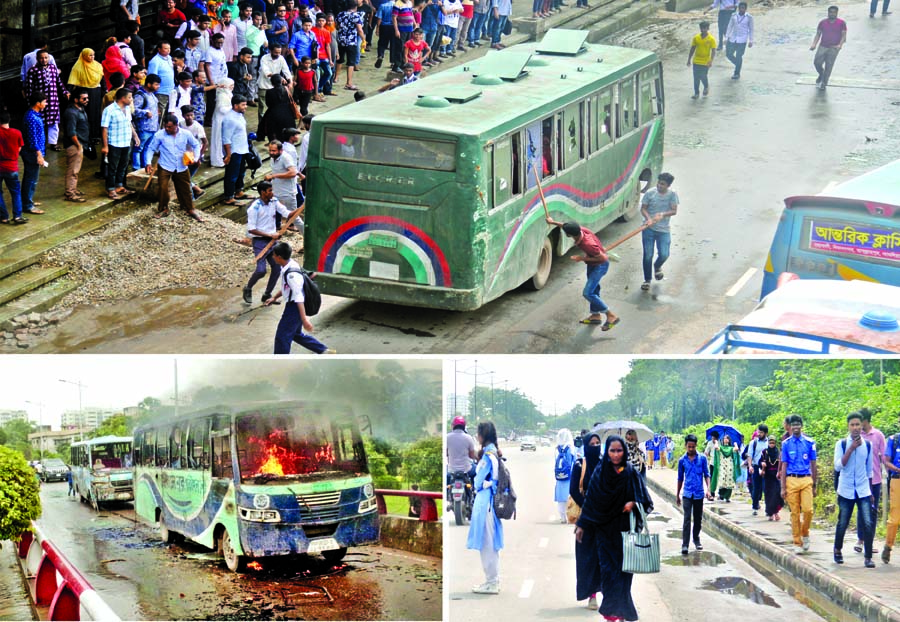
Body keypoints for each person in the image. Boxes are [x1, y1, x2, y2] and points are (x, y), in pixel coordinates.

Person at [576, 435, 653, 620]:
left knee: (624, 578)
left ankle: (622, 612)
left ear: (624, 451)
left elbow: (645, 498)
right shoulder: (600, 472)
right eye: (612, 450)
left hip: (625, 533)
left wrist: (633, 503)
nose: (616, 455)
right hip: (604, 533)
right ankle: (612, 616)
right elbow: (591, 502)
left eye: (619, 451)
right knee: (609, 576)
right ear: (607, 451)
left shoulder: (630, 472)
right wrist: (582, 525)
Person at [545, 217, 618, 329]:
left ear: (568, 235)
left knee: (588, 293)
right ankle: (595, 315)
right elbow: (564, 225)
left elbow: (602, 259)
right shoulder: (580, 230)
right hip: (593, 265)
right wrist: (552, 222)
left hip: (600, 266)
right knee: (594, 290)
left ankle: (610, 315)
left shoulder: (587, 244)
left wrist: (582, 258)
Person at [265, 240, 333, 353]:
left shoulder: (292, 275)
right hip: (294, 306)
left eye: (274, 255)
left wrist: (304, 319)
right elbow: (287, 287)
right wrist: (274, 298)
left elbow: (299, 297)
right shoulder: (290, 264)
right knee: (296, 334)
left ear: (279, 257)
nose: (272, 257)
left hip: (294, 308)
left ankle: (279, 363)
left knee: (282, 337)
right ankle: (324, 350)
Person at [244, 180, 300, 303]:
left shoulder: (274, 202)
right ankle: (248, 288)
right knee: (261, 270)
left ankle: (267, 294)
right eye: (270, 191)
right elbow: (252, 229)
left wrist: (300, 208)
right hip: (260, 242)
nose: (272, 193)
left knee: (276, 268)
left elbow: (287, 213)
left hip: (273, 241)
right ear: (263, 192)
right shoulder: (254, 208)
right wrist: (269, 235)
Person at [833, 411, 875, 568]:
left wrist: (870, 491)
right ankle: (837, 550)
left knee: (868, 522)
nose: (856, 427)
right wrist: (851, 448)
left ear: (862, 425)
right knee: (843, 522)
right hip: (846, 489)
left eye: (858, 424)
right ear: (848, 426)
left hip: (863, 489)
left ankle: (868, 557)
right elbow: (838, 465)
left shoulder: (868, 445)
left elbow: (869, 470)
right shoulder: (842, 444)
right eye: (853, 425)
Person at [466, 420, 503, 594]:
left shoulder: (489, 455)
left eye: (478, 433)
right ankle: (490, 580)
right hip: (484, 500)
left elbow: (484, 480)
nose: (476, 436)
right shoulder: (491, 452)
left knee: (487, 542)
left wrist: (481, 483)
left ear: (482, 435)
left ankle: (492, 581)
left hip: (486, 502)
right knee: (487, 541)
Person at [144, 113, 204, 221]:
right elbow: (151, 148)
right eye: (165, 126)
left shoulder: (186, 134)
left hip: (181, 166)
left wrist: (196, 158)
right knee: (163, 187)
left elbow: (196, 145)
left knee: (185, 188)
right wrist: (148, 162)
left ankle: (189, 208)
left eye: (170, 127)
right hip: (165, 165)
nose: (167, 129)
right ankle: (163, 209)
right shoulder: (159, 135)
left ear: (176, 125)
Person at [570, 429, 602, 610]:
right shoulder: (578, 465)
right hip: (586, 518)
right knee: (587, 557)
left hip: (604, 518)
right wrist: (587, 505)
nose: (596, 447)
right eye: (592, 444)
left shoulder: (605, 464)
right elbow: (573, 489)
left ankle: (607, 591)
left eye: (598, 444)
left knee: (603, 556)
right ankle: (591, 594)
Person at [780, 414, 818, 555]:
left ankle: (805, 532)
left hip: (806, 479)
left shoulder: (810, 443)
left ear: (802, 426)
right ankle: (797, 541)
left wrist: (814, 484)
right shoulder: (786, 444)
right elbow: (784, 465)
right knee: (794, 513)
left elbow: (814, 464)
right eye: (793, 425)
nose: (796, 427)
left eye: (798, 424)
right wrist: (783, 487)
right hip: (791, 479)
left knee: (808, 510)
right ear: (790, 427)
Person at [24, 50, 69, 151]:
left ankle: (53, 143)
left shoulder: (53, 68)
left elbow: (59, 82)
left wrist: (65, 92)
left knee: (54, 122)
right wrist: (30, 102)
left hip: (53, 99)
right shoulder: (33, 70)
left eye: (46, 57)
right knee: (40, 122)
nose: (44, 60)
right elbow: (29, 87)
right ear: (37, 59)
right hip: (39, 101)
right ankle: (40, 144)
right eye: (41, 58)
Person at [855, 408, 885, 554]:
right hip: (860, 480)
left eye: (860, 422)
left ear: (866, 420)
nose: (858, 425)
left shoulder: (878, 435)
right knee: (861, 510)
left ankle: (869, 542)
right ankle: (860, 539)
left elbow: (884, 457)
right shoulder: (856, 436)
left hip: (875, 480)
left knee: (872, 512)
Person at [676, 433, 712, 555]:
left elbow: (707, 475)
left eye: (693, 447)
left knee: (697, 518)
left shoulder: (702, 459)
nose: (691, 449)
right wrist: (677, 494)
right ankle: (685, 544)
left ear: (696, 445)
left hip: (698, 493)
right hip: (687, 493)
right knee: (686, 519)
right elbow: (680, 478)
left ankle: (696, 539)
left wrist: (709, 489)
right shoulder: (682, 460)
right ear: (686, 446)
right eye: (689, 447)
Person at [101, 88, 140, 200]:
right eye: (129, 97)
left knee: (123, 165)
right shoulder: (109, 110)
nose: (131, 99)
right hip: (114, 143)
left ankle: (119, 186)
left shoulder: (127, 109)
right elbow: (104, 128)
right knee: (112, 167)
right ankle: (110, 189)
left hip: (126, 142)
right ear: (122, 98)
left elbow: (129, 123)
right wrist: (105, 146)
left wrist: (135, 136)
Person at [66, 49, 104, 143]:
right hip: (84, 92)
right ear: (84, 56)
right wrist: (68, 91)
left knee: (96, 113)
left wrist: (105, 89)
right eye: (90, 55)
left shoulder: (97, 66)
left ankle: (95, 135)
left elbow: (102, 78)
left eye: (93, 55)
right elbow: (72, 80)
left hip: (96, 92)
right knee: (86, 114)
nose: (92, 57)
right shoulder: (78, 67)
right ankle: (86, 136)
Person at [21, 94, 48, 219]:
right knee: (31, 178)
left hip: (34, 152)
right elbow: (32, 140)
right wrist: (39, 155)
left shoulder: (35, 115)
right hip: (32, 153)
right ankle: (27, 204)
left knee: (32, 178)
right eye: (44, 101)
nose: (46, 103)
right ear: (38, 103)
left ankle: (28, 199)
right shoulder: (32, 117)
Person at [61, 89, 91, 203]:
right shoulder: (71, 113)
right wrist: (78, 145)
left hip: (80, 143)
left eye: (87, 98)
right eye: (84, 99)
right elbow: (71, 133)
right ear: (75, 99)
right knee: (73, 170)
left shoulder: (80, 109)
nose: (86, 100)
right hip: (74, 145)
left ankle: (73, 189)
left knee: (76, 169)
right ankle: (70, 193)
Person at [222, 95, 251, 205]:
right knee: (232, 174)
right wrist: (228, 154)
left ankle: (238, 191)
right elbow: (226, 138)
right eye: (243, 105)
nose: (245, 107)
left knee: (241, 172)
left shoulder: (239, 115)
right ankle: (229, 196)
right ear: (235, 105)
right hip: (234, 151)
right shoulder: (229, 119)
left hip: (242, 148)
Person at [810, 6, 846, 91]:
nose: (832, 14)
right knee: (817, 62)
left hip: (834, 48)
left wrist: (840, 45)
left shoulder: (841, 23)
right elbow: (818, 34)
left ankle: (824, 83)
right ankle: (821, 74)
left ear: (837, 13)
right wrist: (814, 44)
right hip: (823, 46)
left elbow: (844, 35)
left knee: (829, 66)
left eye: (834, 12)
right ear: (828, 13)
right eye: (831, 12)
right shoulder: (822, 22)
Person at [132, 74, 162, 170]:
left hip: (152, 127)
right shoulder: (140, 95)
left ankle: (145, 167)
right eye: (156, 84)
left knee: (147, 149)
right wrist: (145, 112)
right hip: (143, 128)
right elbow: (134, 110)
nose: (158, 87)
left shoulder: (152, 95)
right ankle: (136, 168)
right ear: (149, 84)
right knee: (138, 149)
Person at [0, 111, 25, 225]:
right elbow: (19, 148)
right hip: (12, 167)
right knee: (15, 192)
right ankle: (17, 216)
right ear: (9, 120)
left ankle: (4, 217)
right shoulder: (17, 133)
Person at [264, 139, 299, 219]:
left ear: (280, 150)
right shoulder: (273, 158)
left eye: (274, 151)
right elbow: (277, 171)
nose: (271, 153)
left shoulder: (286, 158)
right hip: (277, 190)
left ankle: (301, 229)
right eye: (270, 150)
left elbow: (293, 173)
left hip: (287, 192)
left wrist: (273, 176)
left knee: (294, 217)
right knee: (274, 212)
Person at [258, 42, 292, 123]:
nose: (278, 54)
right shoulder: (264, 58)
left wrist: (290, 81)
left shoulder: (281, 58)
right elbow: (267, 73)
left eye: (279, 52)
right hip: (264, 86)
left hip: (275, 87)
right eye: (275, 52)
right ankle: (261, 126)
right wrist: (280, 77)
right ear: (270, 51)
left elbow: (286, 71)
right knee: (263, 108)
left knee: (274, 107)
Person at [335, 0, 365, 90]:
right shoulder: (356, 16)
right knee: (350, 62)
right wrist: (364, 39)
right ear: (355, 7)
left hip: (341, 40)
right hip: (351, 41)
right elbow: (359, 29)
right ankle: (349, 82)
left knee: (340, 59)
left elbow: (337, 26)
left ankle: (336, 77)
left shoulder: (340, 14)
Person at [882, 413, 900, 564]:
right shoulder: (894, 440)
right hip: (897, 480)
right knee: (895, 518)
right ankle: (888, 545)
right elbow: (886, 461)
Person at [179, 105, 208, 198]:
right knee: (185, 177)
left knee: (185, 178)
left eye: (192, 115)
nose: (190, 117)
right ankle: (196, 189)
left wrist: (199, 156)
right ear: (183, 115)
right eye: (188, 115)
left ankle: (192, 196)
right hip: (184, 154)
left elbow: (205, 142)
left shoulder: (197, 127)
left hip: (194, 155)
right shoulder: (181, 124)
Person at [446, 415, 477, 499]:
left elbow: (446, 453)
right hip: (466, 469)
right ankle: (474, 490)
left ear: (453, 426)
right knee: (476, 471)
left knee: (446, 478)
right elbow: (471, 455)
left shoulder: (447, 437)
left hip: (451, 469)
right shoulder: (468, 438)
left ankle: (447, 495)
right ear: (464, 426)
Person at [686, 21, 716, 99]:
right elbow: (692, 49)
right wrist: (689, 59)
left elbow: (713, 51)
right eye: (701, 28)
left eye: (704, 28)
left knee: (703, 76)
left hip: (706, 61)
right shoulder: (696, 38)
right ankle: (696, 93)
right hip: (696, 61)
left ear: (708, 28)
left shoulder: (711, 39)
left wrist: (711, 60)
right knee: (696, 77)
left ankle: (706, 86)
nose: (703, 30)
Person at [262, 76, 297, 142]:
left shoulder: (269, 92)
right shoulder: (286, 89)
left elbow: (268, 103)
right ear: (281, 81)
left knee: (272, 130)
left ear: (272, 83)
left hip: (274, 113)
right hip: (287, 112)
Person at [724, 2, 753, 79]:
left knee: (739, 56)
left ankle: (736, 73)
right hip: (733, 38)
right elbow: (729, 26)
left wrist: (751, 40)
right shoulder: (734, 15)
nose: (742, 9)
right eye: (741, 8)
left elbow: (751, 29)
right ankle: (738, 64)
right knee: (728, 54)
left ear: (745, 9)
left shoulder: (749, 17)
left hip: (742, 39)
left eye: (743, 8)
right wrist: (726, 38)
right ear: (738, 8)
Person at [211, 77, 236, 167]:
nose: (232, 87)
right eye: (231, 85)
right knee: (218, 139)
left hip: (226, 119)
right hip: (220, 119)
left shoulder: (228, 94)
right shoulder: (222, 95)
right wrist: (233, 108)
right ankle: (218, 159)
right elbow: (221, 108)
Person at [745, 424, 769, 516]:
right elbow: (750, 455)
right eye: (758, 432)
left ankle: (768, 509)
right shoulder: (753, 443)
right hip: (755, 467)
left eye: (761, 432)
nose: (759, 434)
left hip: (766, 468)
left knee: (766, 488)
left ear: (766, 433)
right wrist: (750, 466)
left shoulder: (768, 442)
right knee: (756, 488)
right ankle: (755, 507)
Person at [553, 428, 576, 524]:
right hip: (569, 476)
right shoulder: (570, 448)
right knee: (569, 496)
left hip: (559, 476)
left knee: (560, 497)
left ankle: (562, 517)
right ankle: (569, 515)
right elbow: (573, 462)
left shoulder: (557, 448)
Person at [759, 436, 783, 521]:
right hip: (768, 476)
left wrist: (780, 472)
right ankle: (770, 513)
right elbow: (760, 462)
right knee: (769, 495)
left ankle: (776, 512)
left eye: (773, 443)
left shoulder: (778, 453)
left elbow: (782, 463)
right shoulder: (764, 452)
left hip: (776, 476)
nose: (771, 445)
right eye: (770, 443)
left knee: (777, 494)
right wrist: (762, 464)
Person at [148, 42, 176, 115]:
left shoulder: (169, 58)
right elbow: (152, 77)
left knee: (169, 115)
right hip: (160, 92)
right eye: (166, 48)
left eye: (169, 48)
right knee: (161, 115)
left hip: (171, 91)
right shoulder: (155, 61)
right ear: (159, 49)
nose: (168, 50)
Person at [711, 434, 740, 502]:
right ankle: (721, 495)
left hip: (730, 466)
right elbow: (716, 448)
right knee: (722, 480)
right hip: (722, 466)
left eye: (727, 438)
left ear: (729, 440)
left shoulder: (731, 448)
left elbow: (736, 449)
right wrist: (716, 442)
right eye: (724, 438)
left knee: (729, 480)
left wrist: (735, 444)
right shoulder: (721, 447)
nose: (725, 439)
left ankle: (727, 496)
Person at [312, 15, 336, 97]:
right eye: (319, 20)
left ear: (325, 21)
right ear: (316, 21)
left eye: (322, 20)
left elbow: (327, 46)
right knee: (317, 75)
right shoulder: (312, 31)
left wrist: (330, 59)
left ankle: (319, 88)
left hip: (324, 56)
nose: (321, 22)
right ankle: (317, 91)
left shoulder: (326, 32)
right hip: (315, 56)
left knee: (329, 73)